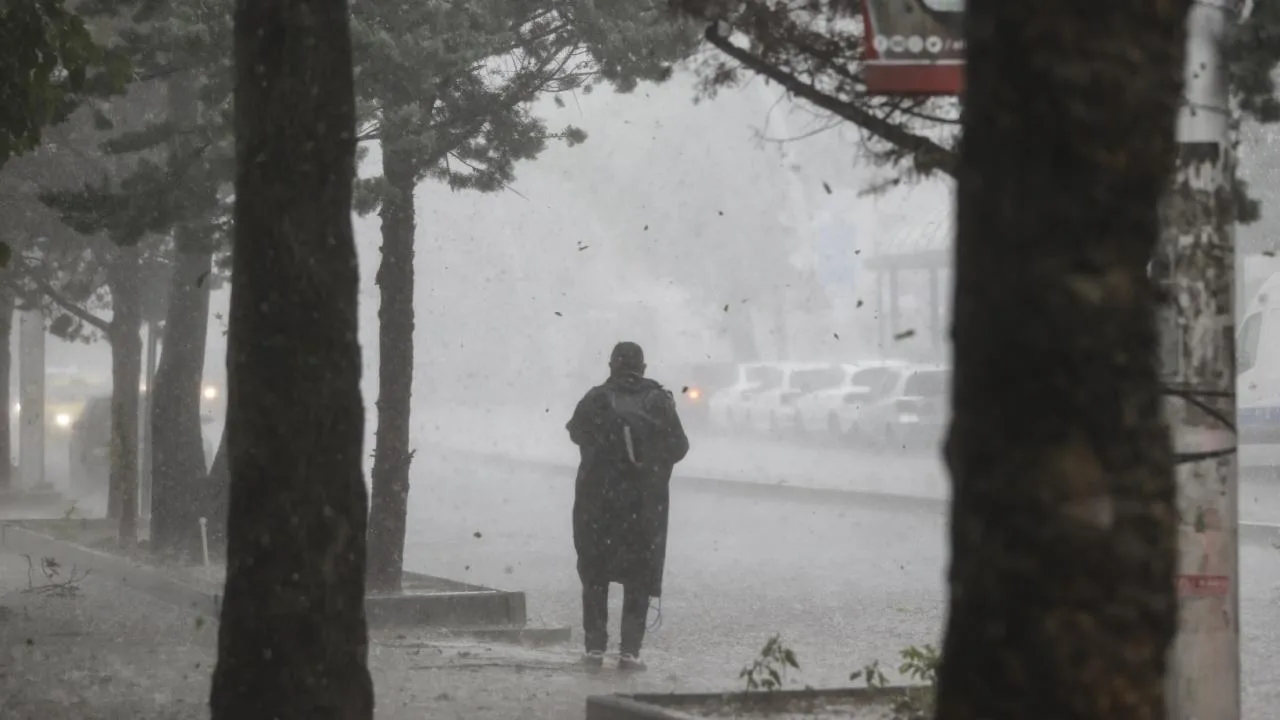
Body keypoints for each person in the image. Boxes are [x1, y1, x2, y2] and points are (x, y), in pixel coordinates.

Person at [566, 341, 689, 672]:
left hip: (597, 503)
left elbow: (575, 433)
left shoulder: (596, 398)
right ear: (643, 368)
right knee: (638, 576)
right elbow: (679, 447)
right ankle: (630, 652)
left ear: (611, 366)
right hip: (643, 505)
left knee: (595, 574)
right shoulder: (659, 401)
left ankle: (594, 647)